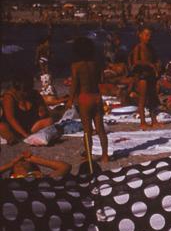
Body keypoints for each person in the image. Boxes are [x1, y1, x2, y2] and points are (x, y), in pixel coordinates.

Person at [69, 36, 110, 168]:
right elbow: (101, 80)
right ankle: (105, 155)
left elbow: (74, 84)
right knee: (100, 129)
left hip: (84, 98)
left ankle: (89, 155)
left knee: (87, 131)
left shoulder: (76, 66)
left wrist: (70, 100)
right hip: (96, 97)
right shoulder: (96, 64)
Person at [0, 74, 54, 144]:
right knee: (1, 127)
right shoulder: (9, 97)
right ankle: (12, 138)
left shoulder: (34, 94)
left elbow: (44, 112)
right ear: (17, 88)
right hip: (13, 127)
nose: (27, 92)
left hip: (29, 126)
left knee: (49, 121)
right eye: (24, 90)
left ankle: (28, 136)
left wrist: (42, 110)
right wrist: (25, 134)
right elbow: (11, 119)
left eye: (29, 89)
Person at [129, 26, 161, 129]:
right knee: (142, 99)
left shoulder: (150, 48)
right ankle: (143, 121)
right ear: (140, 35)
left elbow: (155, 58)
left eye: (150, 35)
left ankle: (154, 120)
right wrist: (149, 64)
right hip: (142, 74)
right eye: (146, 35)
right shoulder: (138, 47)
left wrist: (157, 64)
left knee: (152, 98)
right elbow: (135, 61)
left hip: (150, 75)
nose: (148, 37)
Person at [0, 150, 70, 179]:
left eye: (24, 161)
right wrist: (11, 163)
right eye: (16, 164)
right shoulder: (8, 181)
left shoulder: (40, 178)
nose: (20, 162)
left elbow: (65, 167)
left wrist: (33, 159)